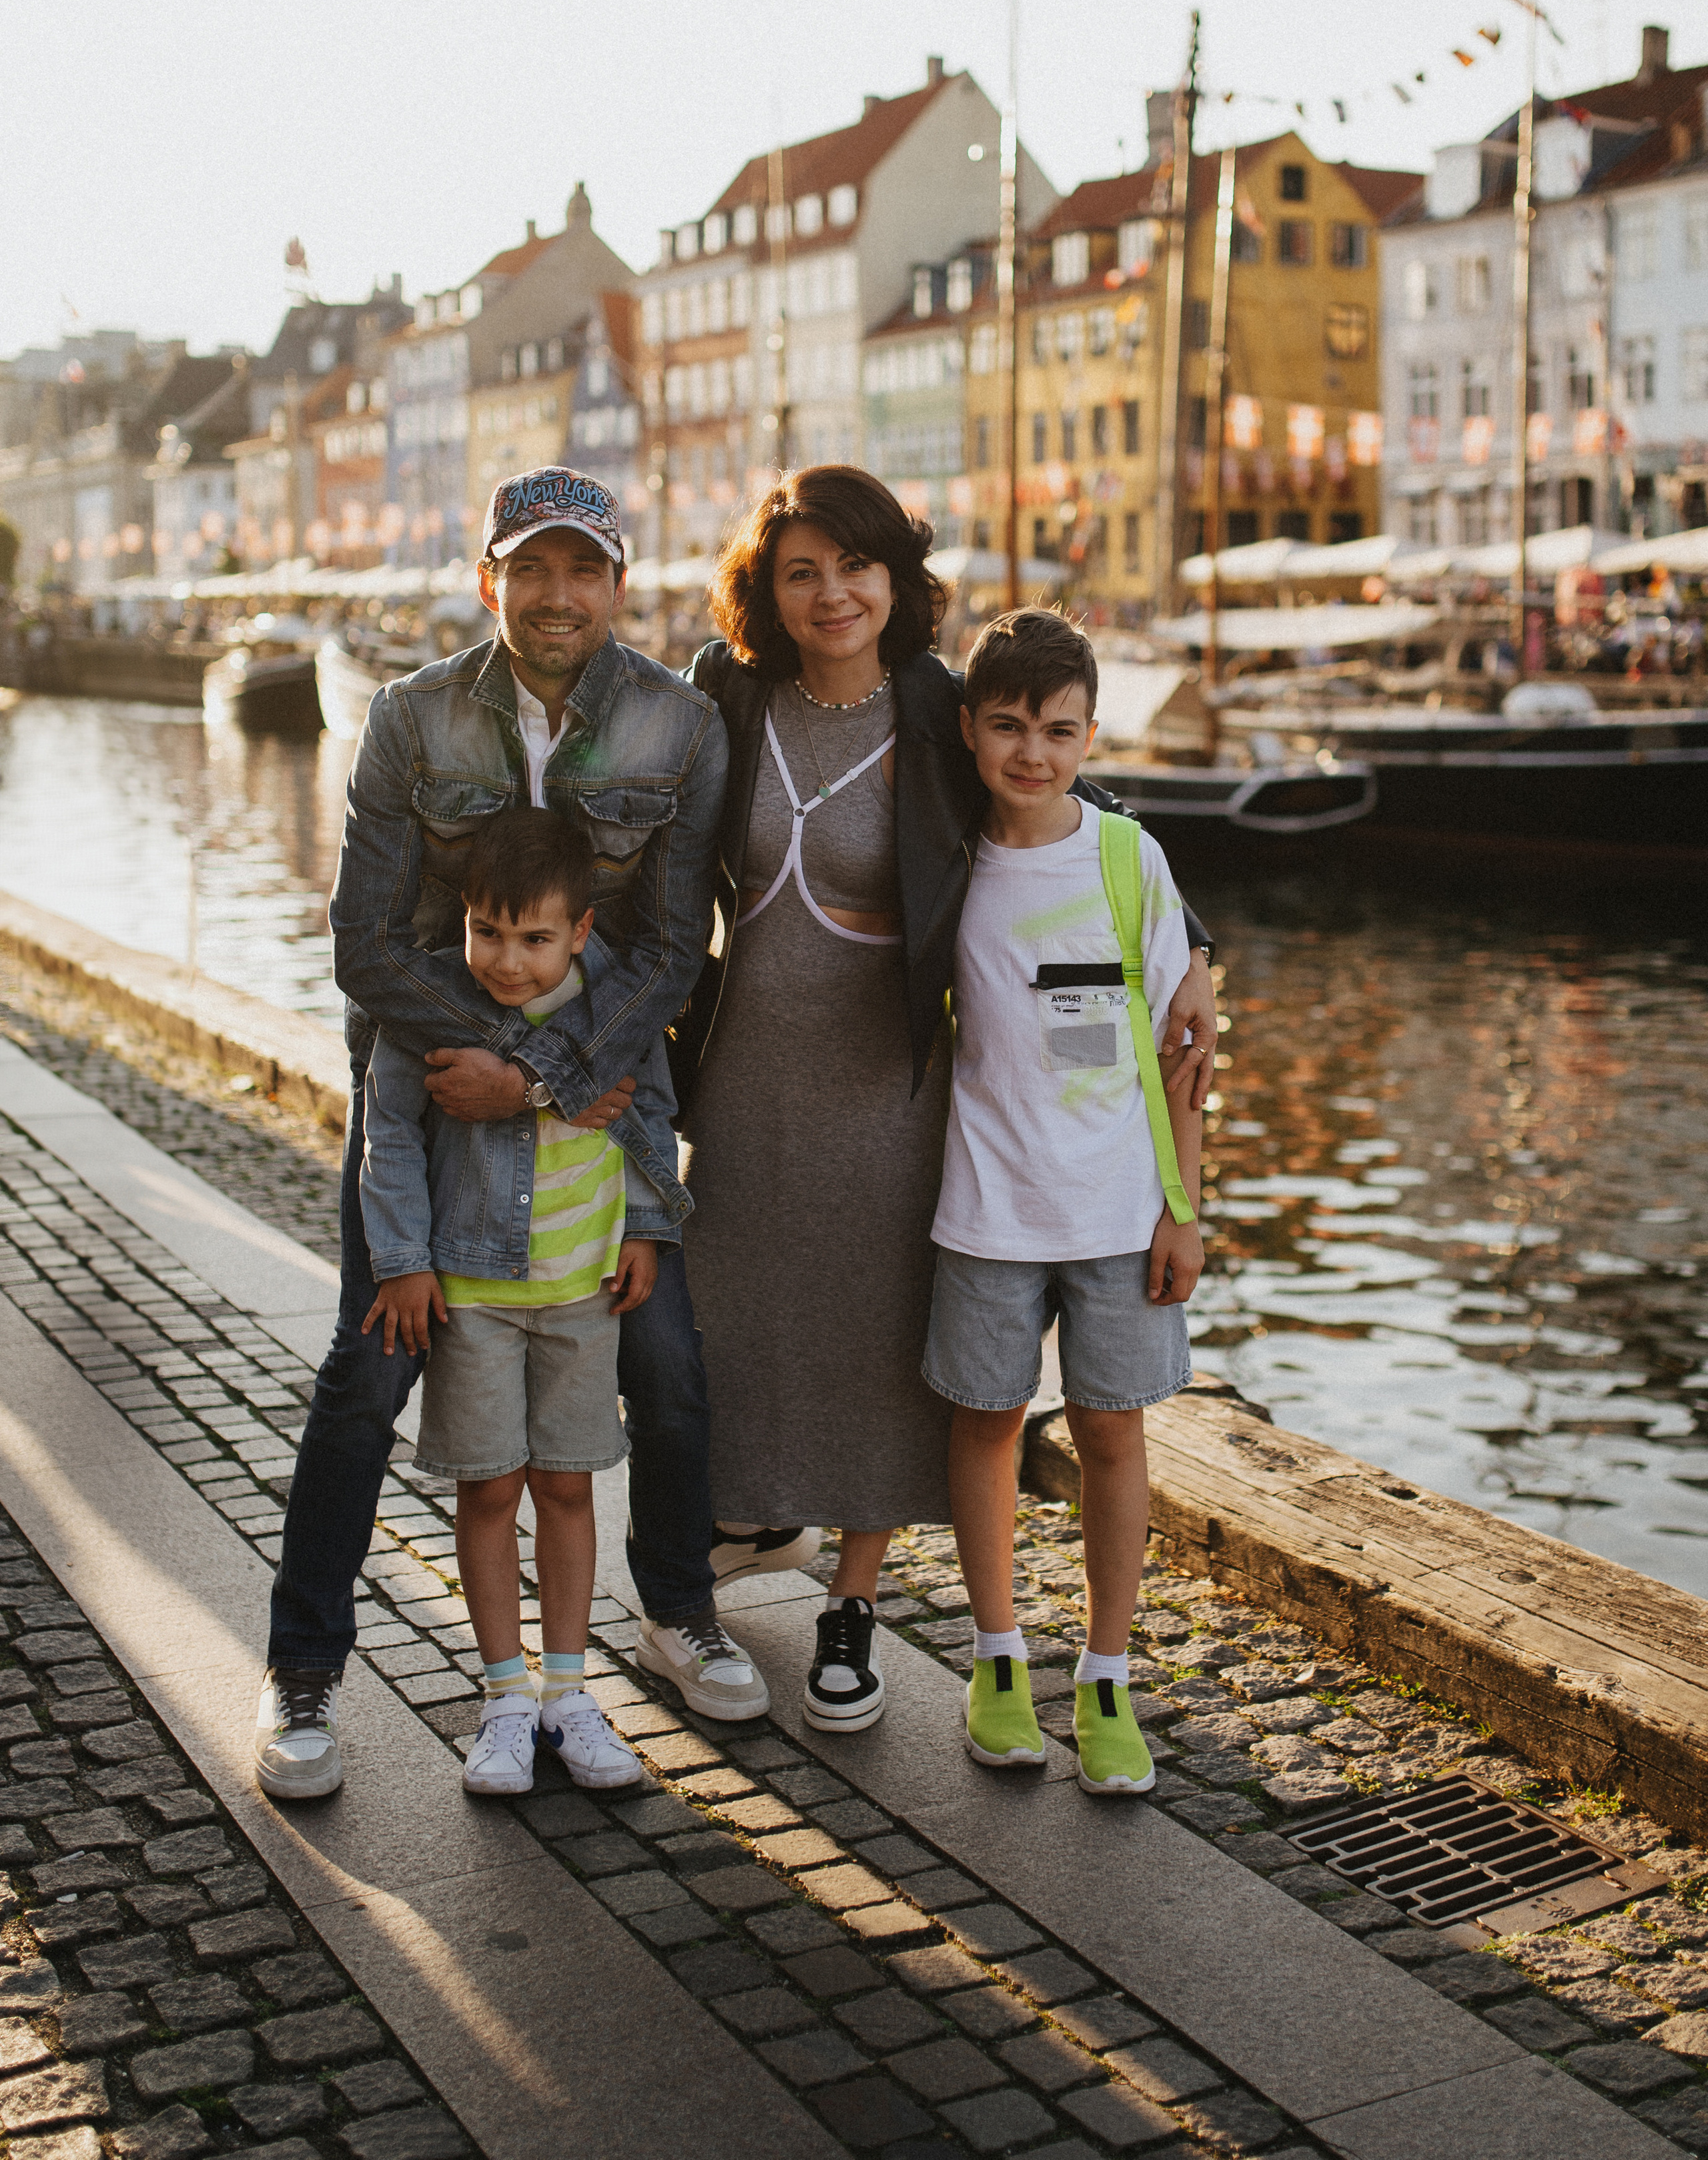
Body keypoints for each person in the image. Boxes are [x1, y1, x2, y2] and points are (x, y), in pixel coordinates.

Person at [256, 466, 780, 1803]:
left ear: (616, 582)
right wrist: (478, 1059)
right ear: (488, 579)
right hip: (426, 1089)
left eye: (582, 569)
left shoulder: (673, 726)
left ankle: (674, 1611)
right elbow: (362, 941)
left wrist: (544, 1073)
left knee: (663, 1358)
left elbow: (670, 945)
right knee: (368, 1370)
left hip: (596, 1097)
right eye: (529, 569)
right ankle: (304, 1667)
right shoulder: (409, 715)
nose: (556, 595)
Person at [671, 468, 1218, 1738]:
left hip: (897, 1082)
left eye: (857, 567)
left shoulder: (932, 702)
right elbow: (653, 851)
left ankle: (856, 1607)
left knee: (882, 1341)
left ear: (898, 580)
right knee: (727, 1327)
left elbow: (1073, 808)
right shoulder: (730, 690)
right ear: (767, 585)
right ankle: (724, 1546)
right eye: (801, 570)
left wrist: (1192, 936)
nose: (832, 593)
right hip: (754, 1067)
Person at [923, 607, 1203, 1796]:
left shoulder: (1128, 858)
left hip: (1116, 1209)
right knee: (986, 1423)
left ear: (1091, 733)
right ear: (972, 730)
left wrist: (1184, 1207)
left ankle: (1105, 1673)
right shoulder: (947, 863)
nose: (1032, 753)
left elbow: (1185, 1052)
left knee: (1112, 1433)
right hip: (986, 1206)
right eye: (1008, 727)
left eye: (1058, 730)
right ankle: (996, 1659)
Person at [358, 807, 668, 1796]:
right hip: (475, 1294)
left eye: (535, 938)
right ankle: (501, 1695)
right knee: (489, 1487)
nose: (507, 960)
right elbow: (390, 1133)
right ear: (462, 921)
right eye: (487, 932)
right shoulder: (435, 1010)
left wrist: (648, 1229)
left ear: (580, 931)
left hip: (583, 1293)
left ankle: (569, 1691)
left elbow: (651, 1116)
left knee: (569, 1485)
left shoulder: (613, 1008)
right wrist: (401, 1259)